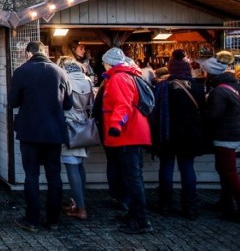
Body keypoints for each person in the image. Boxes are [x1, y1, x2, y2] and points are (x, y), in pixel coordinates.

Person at [8, 41, 73, 232]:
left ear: (29, 54)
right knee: (54, 176)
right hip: (54, 132)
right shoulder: (60, 72)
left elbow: (13, 101)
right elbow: (68, 104)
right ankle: (54, 220)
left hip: (30, 131)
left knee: (31, 176)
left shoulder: (22, 71)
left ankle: (32, 220)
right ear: (44, 52)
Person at [101, 47, 153, 234]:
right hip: (133, 132)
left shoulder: (118, 78)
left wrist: (115, 126)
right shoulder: (128, 75)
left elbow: (123, 105)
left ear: (109, 63)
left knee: (132, 179)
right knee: (133, 177)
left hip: (127, 134)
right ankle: (135, 214)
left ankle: (140, 220)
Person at [152, 49, 206, 219]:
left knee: (166, 167)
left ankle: (165, 205)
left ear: (171, 68)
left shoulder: (162, 87)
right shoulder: (197, 87)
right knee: (187, 168)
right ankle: (190, 206)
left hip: (167, 133)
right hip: (189, 134)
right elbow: (203, 111)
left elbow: (155, 111)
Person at [201, 50, 240, 220]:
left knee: (228, 172)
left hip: (225, 136)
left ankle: (234, 206)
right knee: (225, 171)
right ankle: (226, 203)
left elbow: (214, 116)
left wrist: (203, 113)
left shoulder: (219, 92)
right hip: (234, 133)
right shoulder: (234, 86)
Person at [57, 56, 94, 221]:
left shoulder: (64, 80)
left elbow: (60, 103)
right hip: (83, 125)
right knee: (79, 166)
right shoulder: (87, 80)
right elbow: (92, 104)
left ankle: (80, 207)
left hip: (69, 125)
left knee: (72, 166)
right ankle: (77, 201)